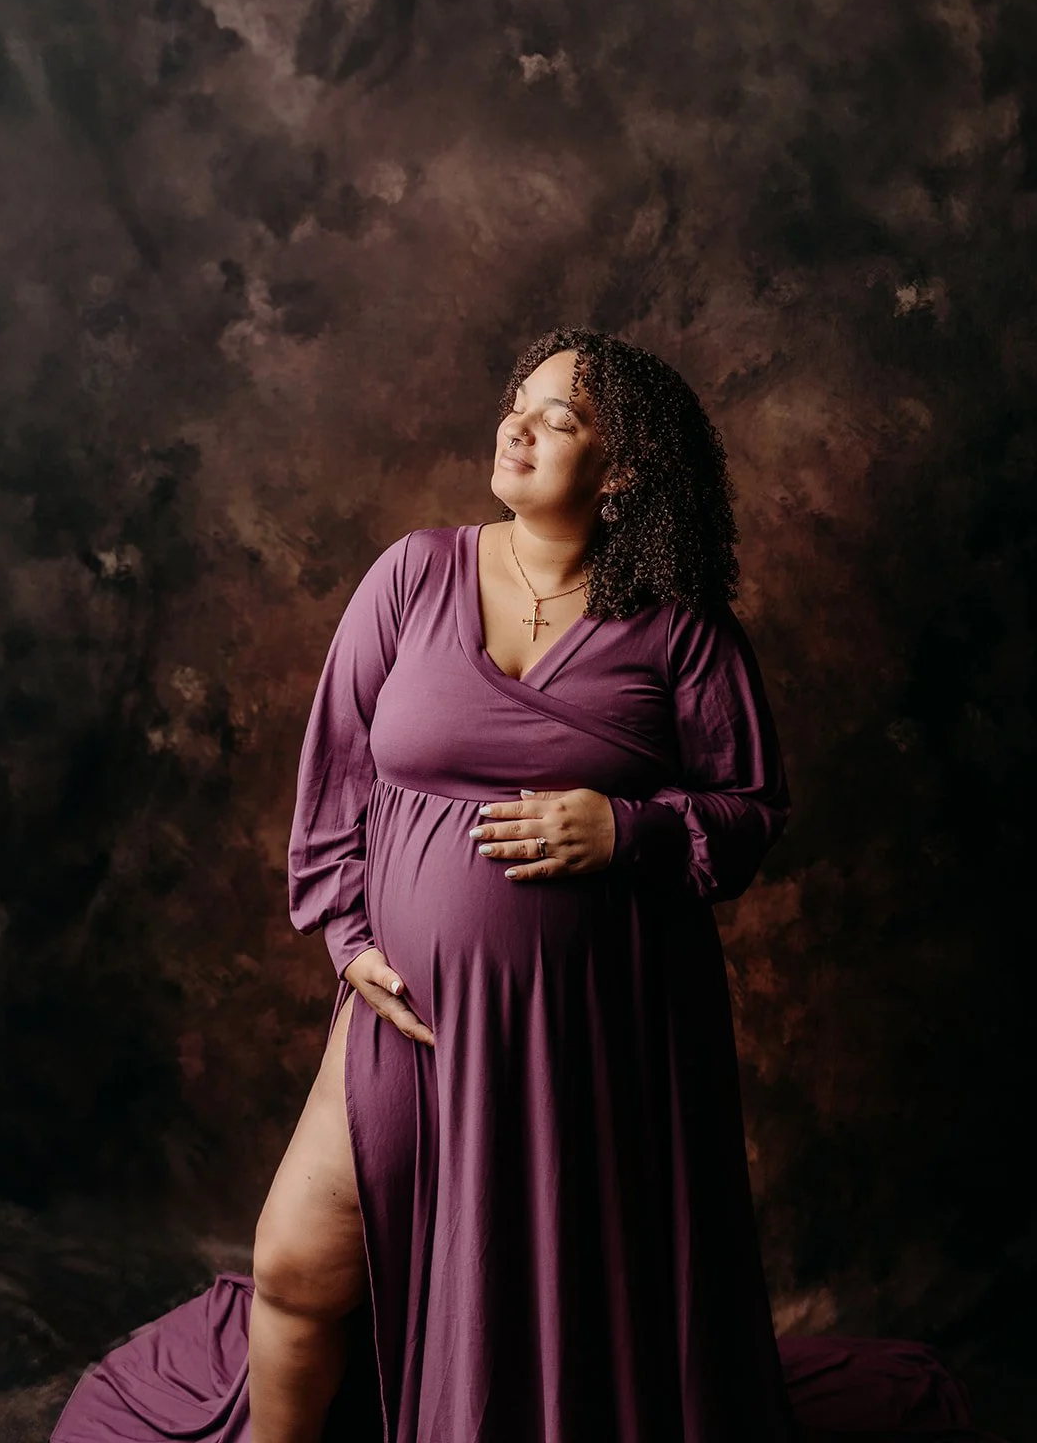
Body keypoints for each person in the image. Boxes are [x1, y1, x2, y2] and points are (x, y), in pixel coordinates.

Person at [246, 324, 800, 1443]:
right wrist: (350, 939)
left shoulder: (681, 631)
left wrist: (629, 828)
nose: (518, 425)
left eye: (561, 416)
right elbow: (334, 774)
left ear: (623, 466)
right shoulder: (414, 573)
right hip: (410, 1016)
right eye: (518, 401)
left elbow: (748, 816)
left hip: (592, 1035)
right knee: (297, 1266)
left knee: (541, 1305)